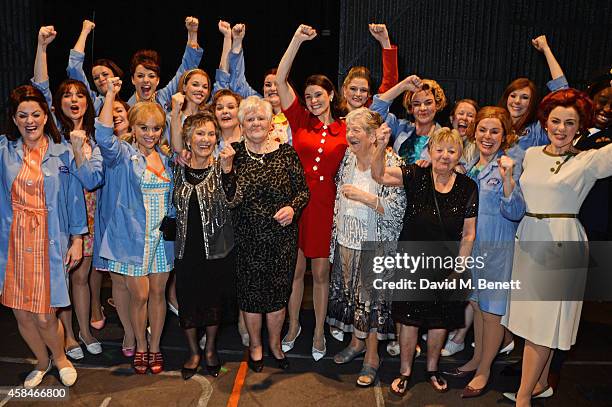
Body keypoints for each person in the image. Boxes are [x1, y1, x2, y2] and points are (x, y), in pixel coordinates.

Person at [501, 88, 612, 406]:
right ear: (545, 123)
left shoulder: (590, 160)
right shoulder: (533, 154)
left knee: (544, 321)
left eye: (570, 122)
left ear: (580, 127)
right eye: (556, 121)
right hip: (529, 237)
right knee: (533, 320)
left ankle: (523, 396)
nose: (561, 128)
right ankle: (539, 385)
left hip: (563, 240)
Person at [372, 123, 478, 397]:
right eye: (439, 149)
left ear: (459, 155)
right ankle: (405, 370)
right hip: (411, 261)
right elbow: (379, 175)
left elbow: (469, 233)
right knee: (408, 320)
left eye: (451, 150)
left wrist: (459, 267)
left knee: (440, 320)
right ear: (429, 151)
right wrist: (381, 145)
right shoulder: (416, 174)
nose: (445, 155)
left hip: (446, 267)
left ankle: (432, 368)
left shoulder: (468, 186)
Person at [0, 85, 87, 387]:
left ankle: (60, 358)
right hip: (12, 243)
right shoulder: (4, 152)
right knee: (21, 313)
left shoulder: (63, 151)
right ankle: (41, 360)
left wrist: (77, 239)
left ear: (45, 114)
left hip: (49, 242)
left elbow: (75, 198)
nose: (29, 120)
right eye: (22, 115)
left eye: (35, 113)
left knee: (46, 315)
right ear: (13, 119)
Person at [32, 25, 106, 360]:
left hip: (90, 215)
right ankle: (67, 339)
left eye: (79, 95)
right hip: (59, 217)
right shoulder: (52, 132)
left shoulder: (93, 134)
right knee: (63, 277)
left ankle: (85, 330)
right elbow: (39, 89)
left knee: (83, 277)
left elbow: (93, 179)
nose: (73, 100)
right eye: (67, 96)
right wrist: (42, 48)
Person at [276, 24, 348, 360]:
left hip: (325, 207)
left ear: (331, 95)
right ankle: (294, 326)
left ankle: (319, 330)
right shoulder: (300, 121)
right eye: (308, 96)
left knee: (321, 274)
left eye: (319, 94)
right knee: (294, 272)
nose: (313, 100)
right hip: (296, 205)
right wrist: (296, 41)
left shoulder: (346, 128)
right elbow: (280, 79)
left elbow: (380, 106)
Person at [443, 107, 525, 398]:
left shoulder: (509, 165)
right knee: (477, 306)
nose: (487, 136)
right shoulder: (473, 166)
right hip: (473, 250)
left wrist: (507, 181)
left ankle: (484, 370)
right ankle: (477, 358)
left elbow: (516, 212)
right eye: (482, 130)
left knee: (492, 314)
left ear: (505, 135)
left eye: (495, 131)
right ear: (474, 132)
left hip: (497, 250)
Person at [95, 77, 175, 374]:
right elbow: (103, 136)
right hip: (132, 238)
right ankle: (140, 343)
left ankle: (154, 348)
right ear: (133, 127)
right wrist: (111, 94)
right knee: (139, 296)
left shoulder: (166, 158)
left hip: (163, 239)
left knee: (158, 294)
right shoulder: (123, 155)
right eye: (144, 128)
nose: (150, 134)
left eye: (155, 128)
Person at [326, 108, 406, 386]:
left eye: (356, 130)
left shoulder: (391, 161)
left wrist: (365, 197)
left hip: (374, 245)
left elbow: (397, 210)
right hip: (347, 241)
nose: (350, 135)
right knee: (352, 299)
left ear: (373, 135)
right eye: (349, 129)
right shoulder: (348, 157)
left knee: (370, 304)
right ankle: (356, 343)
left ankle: (372, 356)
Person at [230, 96, 310, 372]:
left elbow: (303, 191)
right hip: (246, 240)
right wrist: (226, 169)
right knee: (251, 297)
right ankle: (255, 346)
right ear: (241, 125)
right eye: (249, 119)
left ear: (269, 122)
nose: (255, 124)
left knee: (277, 295)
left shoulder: (286, 153)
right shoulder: (233, 154)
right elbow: (227, 197)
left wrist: (292, 208)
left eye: (260, 118)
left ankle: (275, 345)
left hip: (281, 240)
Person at [171, 111, 240, 379]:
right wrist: (177, 108)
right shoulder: (177, 167)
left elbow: (234, 201)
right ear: (188, 139)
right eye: (200, 133)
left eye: (211, 134)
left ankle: (210, 349)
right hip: (186, 250)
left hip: (218, 250)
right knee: (188, 302)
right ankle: (193, 352)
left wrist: (228, 172)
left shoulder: (222, 166)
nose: (206, 139)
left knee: (213, 303)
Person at [498, 35, 567, 150]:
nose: (517, 101)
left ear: (532, 102)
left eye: (524, 97)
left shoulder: (537, 131)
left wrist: (546, 50)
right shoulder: (494, 125)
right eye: (513, 95)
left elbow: (564, 94)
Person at [127, 17, 202, 111]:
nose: (146, 80)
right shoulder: (126, 110)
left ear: (158, 80)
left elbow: (184, 72)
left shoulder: (163, 97)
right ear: (133, 79)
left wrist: (192, 34)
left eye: (151, 76)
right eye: (140, 75)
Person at [370, 75, 447, 164]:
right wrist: (403, 86)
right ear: (411, 108)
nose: (423, 108)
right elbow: (374, 113)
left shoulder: (445, 137)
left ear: (437, 104)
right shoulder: (400, 127)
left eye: (428, 103)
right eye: (417, 104)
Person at [66, 19, 124, 114]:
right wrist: (84, 32)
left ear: (116, 76)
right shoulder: (93, 103)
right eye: (96, 78)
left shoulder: (128, 105)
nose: (101, 79)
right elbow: (74, 68)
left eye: (105, 74)